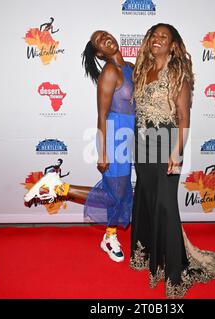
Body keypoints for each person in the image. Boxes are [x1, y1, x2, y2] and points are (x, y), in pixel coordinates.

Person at [130, 23, 215, 298]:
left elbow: (184, 118)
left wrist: (176, 152)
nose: (157, 39)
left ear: (173, 44)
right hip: (141, 142)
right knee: (146, 198)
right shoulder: (141, 69)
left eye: (164, 37)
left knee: (165, 205)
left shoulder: (177, 73)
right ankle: (150, 257)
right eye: (154, 35)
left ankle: (174, 270)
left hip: (166, 143)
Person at [80, 30, 136, 262]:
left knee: (121, 190)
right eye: (98, 41)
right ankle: (109, 238)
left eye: (105, 34)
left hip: (129, 133)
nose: (104, 39)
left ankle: (110, 235)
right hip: (113, 134)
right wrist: (103, 152)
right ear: (100, 53)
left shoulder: (131, 67)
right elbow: (102, 115)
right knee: (117, 191)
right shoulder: (109, 72)